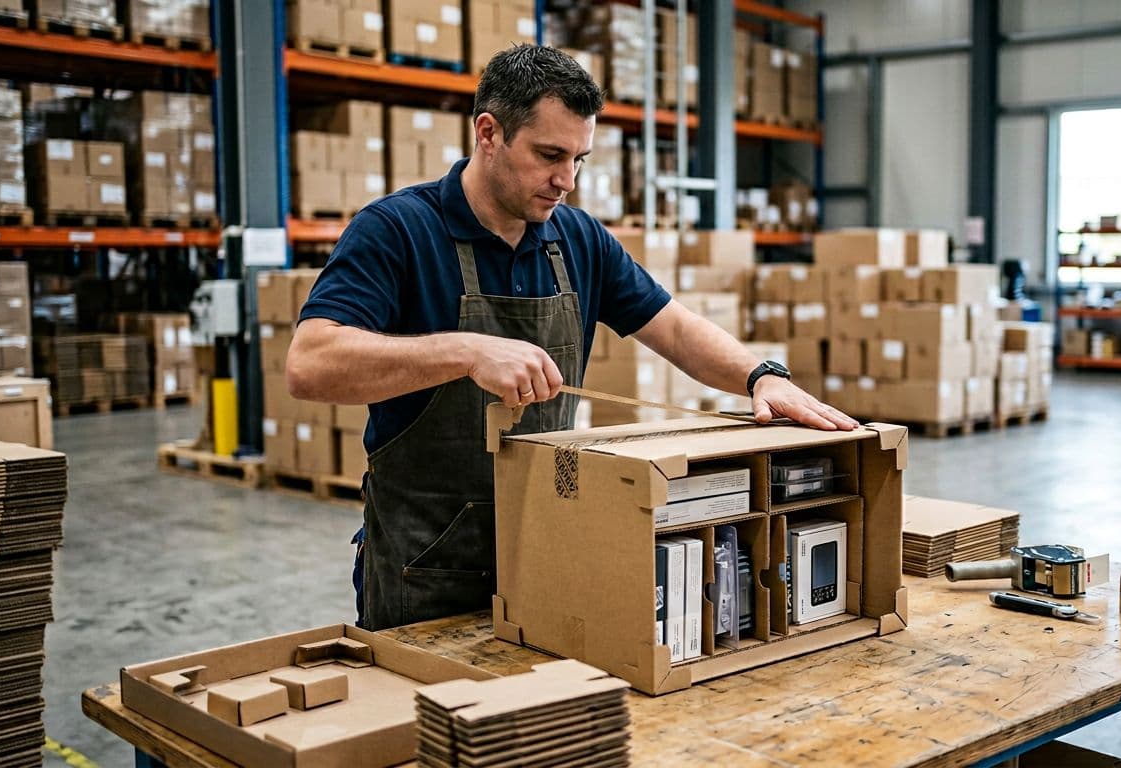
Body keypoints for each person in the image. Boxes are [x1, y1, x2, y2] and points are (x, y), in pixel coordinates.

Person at [286, 45, 857, 633]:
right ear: (488, 133)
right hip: (423, 561)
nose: (567, 181)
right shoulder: (397, 230)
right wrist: (464, 349)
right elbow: (310, 363)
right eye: (550, 155)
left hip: (546, 543)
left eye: (579, 159)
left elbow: (675, 327)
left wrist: (759, 376)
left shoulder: (578, 240)